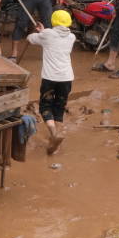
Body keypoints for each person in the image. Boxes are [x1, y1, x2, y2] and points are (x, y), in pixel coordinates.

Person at [27, 10, 76, 154]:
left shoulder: (47, 34)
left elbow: (31, 38)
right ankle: (56, 143)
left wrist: (39, 32)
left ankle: (54, 133)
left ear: (53, 21)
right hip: (66, 78)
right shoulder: (72, 37)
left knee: (45, 106)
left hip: (50, 78)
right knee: (59, 107)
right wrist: (43, 32)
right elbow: (51, 37)